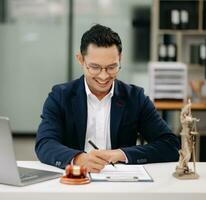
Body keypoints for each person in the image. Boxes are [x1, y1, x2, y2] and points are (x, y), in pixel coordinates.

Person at [35, 24, 179, 173]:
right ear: (80, 60)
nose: (103, 76)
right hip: (74, 179)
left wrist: (121, 154)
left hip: (120, 181)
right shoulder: (60, 96)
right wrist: (78, 159)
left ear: (120, 59)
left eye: (111, 67)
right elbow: (45, 143)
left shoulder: (135, 98)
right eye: (95, 67)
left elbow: (170, 145)